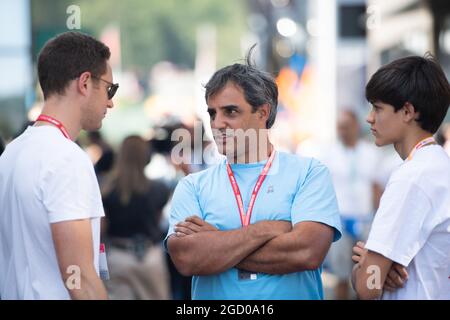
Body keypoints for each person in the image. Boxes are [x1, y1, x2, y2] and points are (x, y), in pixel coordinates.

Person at [165, 48, 342, 300]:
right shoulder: (192, 185)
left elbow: (307, 253)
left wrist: (216, 242)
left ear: (263, 112)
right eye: (212, 113)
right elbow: (186, 258)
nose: (216, 123)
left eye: (231, 111)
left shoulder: (309, 173)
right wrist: (267, 229)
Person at [0, 31, 118, 299]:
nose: (110, 101)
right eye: (110, 88)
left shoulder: (10, 154)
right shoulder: (67, 158)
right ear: (85, 83)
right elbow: (81, 278)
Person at [352, 55, 450, 300]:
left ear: (407, 111)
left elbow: (368, 285)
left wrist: (365, 265)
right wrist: (379, 268)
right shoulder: (439, 166)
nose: (369, 117)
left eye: (378, 107)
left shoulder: (412, 177)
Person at [320, 109, 383, 299]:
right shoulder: (329, 154)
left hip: (365, 220)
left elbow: (376, 187)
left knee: (367, 274)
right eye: (340, 127)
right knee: (341, 275)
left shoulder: (371, 152)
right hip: (340, 220)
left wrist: (379, 220)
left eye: (346, 127)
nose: (343, 131)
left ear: (356, 126)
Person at [102, 135, 171, 299]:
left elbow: (101, 231)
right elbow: (159, 221)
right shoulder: (159, 188)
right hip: (149, 255)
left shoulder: (106, 189)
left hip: (117, 256)